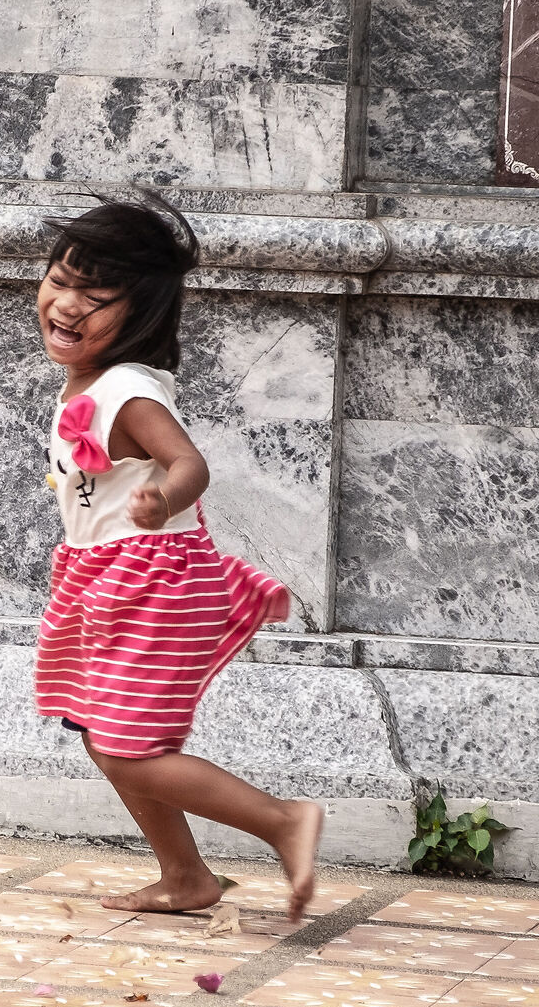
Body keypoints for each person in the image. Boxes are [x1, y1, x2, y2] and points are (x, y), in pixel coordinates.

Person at [31, 198, 324, 920]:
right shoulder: (92, 382)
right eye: (59, 280)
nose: (66, 306)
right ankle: (185, 876)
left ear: (141, 315)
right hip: (105, 574)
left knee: (128, 747)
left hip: (155, 577)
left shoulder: (127, 391)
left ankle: (284, 821)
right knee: (102, 736)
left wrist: (163, 497)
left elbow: (188, 462)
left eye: (95, 300)